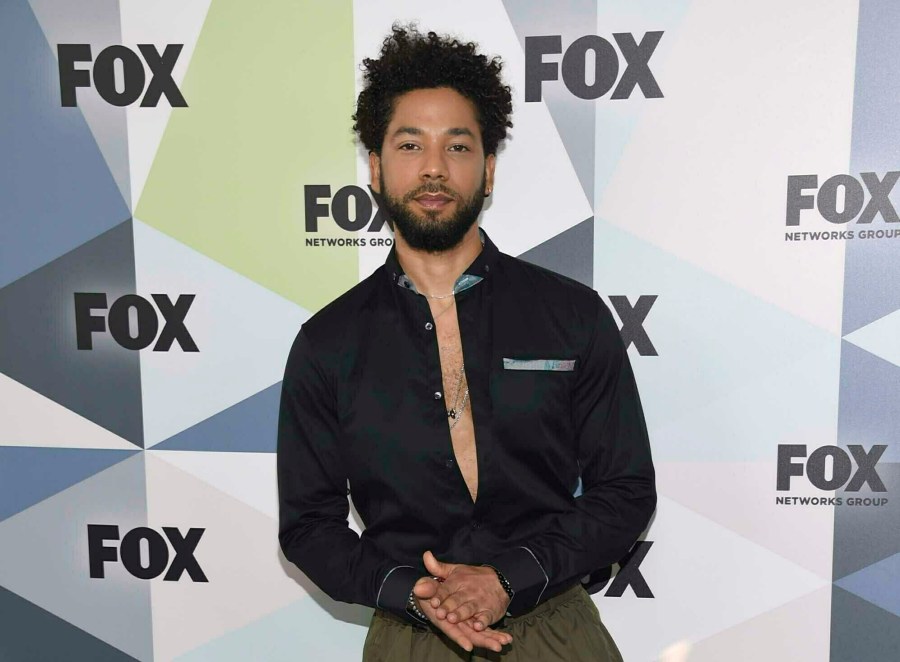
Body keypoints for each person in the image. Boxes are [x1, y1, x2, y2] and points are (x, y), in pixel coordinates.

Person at [278, 25, 656, 661]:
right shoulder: (327, 344)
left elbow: (625, 491)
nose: (433, 167)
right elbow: (310, 528)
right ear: (376, 168)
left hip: (556, 628)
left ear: (487, 171)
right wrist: (410, 590)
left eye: (457, 145)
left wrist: (509, 578)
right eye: (409, 144)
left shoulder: (572, 315)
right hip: (411, 636)